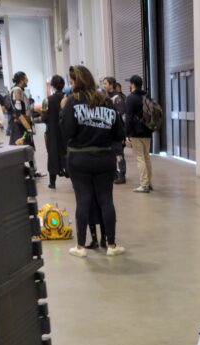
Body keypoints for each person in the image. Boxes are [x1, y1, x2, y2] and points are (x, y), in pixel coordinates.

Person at [60, 64, 125, 257]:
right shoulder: (107, 102)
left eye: (71, 82)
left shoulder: (72, 102)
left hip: (79, 158)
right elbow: (119, 133)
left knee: (83, 200)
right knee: (106, 200)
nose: (70, 86)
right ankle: (111, 245)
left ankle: (80, 246)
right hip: (105, 158)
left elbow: (66, 133)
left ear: (77, 82)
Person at [123, 74, 153, 192]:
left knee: (140, 158)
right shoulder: (147, 95)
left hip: (136, 132)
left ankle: (144, 185)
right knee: (146, 157)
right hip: (148, 131)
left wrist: (126, 134)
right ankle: (148, 182)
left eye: (130, 84)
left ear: (133, 85)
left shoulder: (131, 98)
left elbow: (129, 117)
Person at [43, 74, 66, 189]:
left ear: (52, 86)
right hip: (66, 132)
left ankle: (52, 182)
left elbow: (44, 118)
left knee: (52, 155)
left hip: (52, 132)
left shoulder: (47, 100)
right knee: (67, 153)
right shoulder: (69, 98)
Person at [102, 76, 126, 184]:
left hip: (116, 130)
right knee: (111, 154)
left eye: (106, 83)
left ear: (111, 85)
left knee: (119, 153)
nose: (104, 86)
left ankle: (122, 175)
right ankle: (114, 173)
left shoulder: (117, 98)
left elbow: (120, 114)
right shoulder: (105, 97)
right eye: (104, 84)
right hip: (108, 130)